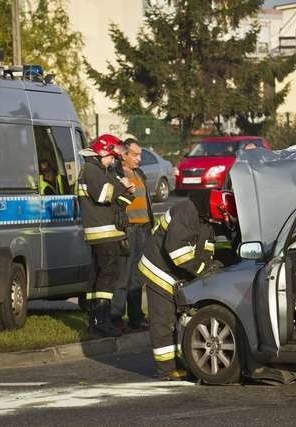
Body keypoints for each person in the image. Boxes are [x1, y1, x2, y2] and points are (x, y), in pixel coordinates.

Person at [138, 190, 221, 380]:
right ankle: (165, 370)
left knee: (177, 320)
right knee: (163, 320)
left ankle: (179, 363)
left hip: (175, 272)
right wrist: (201, 270)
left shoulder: (205, 220)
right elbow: (176, 251)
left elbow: (205, 248)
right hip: (158, 269)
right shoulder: (186, 211)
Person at [77, 133, 135, 337]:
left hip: (107, 232)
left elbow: (120, 201)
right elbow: (104, 195)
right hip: (103, 233)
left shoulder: (101, 170)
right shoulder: (92, 171)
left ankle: (95, 321)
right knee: (108, 276)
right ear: (102, 152)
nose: (112, 161)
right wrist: (122, 186)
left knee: (100, 275)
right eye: (111, 157)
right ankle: (101, 321)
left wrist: (127, 192)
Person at [110, 138, 152, 332]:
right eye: (135, 155)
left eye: (140, 155)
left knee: (137, 277)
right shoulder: (115, 173)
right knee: (123, 275)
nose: (139, 159)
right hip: (127, 230)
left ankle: (136, 317)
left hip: (143, 229)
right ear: (124, 155)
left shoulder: (139, 173)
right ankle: (116, 317)